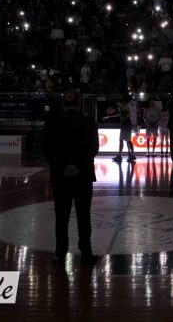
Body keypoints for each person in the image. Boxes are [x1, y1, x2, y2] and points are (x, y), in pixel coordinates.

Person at [43, 89, 99, 265]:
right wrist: (78, 167)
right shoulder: (89, 122)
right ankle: (86, 253)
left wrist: (63, 167)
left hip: (61, 177)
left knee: (61, 218)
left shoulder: (52, 123)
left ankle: (61, 254)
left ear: (63, 104)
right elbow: (93, 148)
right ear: (79, 104)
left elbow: (47, 151)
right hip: (83, 176)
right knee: (84, 216)